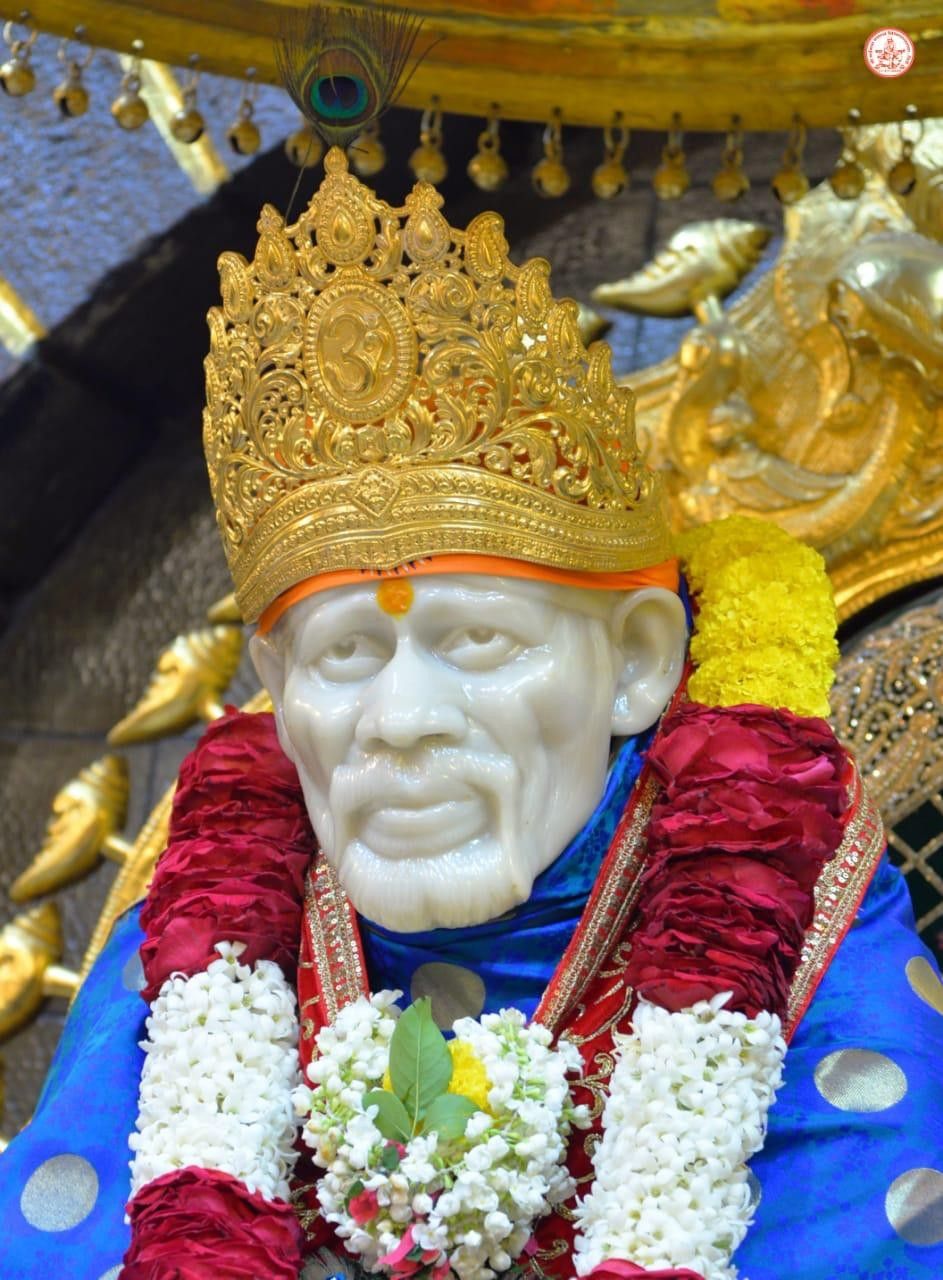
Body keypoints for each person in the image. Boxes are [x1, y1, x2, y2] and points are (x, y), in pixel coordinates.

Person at [2, 146, 941, 1280]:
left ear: (638, 660)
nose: (398, 720)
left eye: (477, 640)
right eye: (344, 653)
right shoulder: (213, 922)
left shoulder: (793, 911)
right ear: (276, 689)